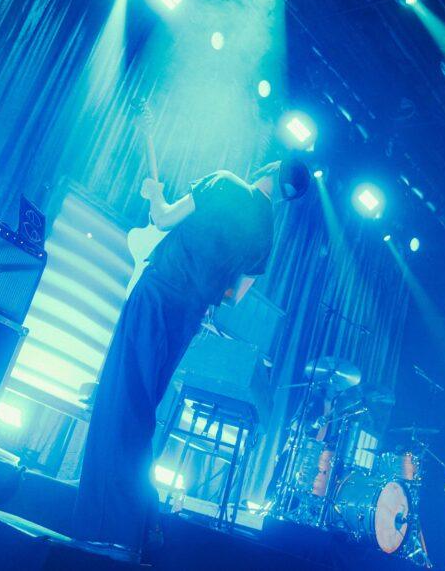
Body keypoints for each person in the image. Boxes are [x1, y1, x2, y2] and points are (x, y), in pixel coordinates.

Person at [71, 159, 310, 563]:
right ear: (288, 198)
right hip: (188, 315)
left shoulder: (225, 181)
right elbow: (235, 297)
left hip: (158, 292)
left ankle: (114, 528)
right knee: (141, 409)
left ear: (272, 167)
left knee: (120, 401)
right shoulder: (266, 233)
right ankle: (139, 523)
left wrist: (154, 195)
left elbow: (163, 219)